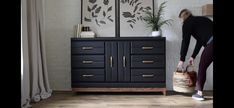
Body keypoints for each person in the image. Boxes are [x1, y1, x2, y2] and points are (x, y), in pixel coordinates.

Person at [177, 9, 213, 101]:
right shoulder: (201, 20)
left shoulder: (187, 23)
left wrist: (181, 60)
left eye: (180, 19)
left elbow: (185, 41)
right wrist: (193, 56)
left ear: (183, 17)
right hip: (210, 42)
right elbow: (200, 41)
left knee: (202, 66)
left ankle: (199, 93)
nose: (181, 22)